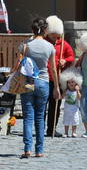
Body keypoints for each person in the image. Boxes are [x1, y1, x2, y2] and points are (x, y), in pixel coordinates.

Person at [19, 17, 60, 158]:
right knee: (40, 116)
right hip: (43, 82)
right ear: (45, 31)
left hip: (28, 81)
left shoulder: (25, 44)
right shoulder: (50, 47)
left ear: (32, 29)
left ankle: (27, 149)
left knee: (28, 117)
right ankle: (39, 150)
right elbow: (53, 69)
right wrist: (57, 87)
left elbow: (18, 65)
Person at [44, 15, 75, 137]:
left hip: (57, 79)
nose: (55, 37)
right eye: (52, 35)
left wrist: (65, 60)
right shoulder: (44, 42)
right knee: (43, 106)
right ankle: (41, 128)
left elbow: (71, 57)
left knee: (54, 106)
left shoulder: (63, 44)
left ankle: (51, 129)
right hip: (45, 78)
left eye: (56, 35)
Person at [59, 67, 83, 138]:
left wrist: (78, 91)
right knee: (66, 121)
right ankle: (66, 132)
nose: (71, 84)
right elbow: (62, 97)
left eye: (72, 82)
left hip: (74, 110)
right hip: (67, 109)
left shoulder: (76, 91)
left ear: (76, 82)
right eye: (69, 82)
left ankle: (74, 132)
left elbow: (79, 98)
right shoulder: (66, 90)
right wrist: (64, 92)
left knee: (74, 121)